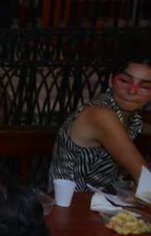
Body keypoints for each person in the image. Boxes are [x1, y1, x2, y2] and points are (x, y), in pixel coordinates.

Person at [50, 54, 151, 193]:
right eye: (124, 81)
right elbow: (146, 179)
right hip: (71, 205)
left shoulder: (130, 117)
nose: (132, 91)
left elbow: (142, 127)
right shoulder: (100, 114)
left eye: (145, 87)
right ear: (111, 81)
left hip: (102, 202)